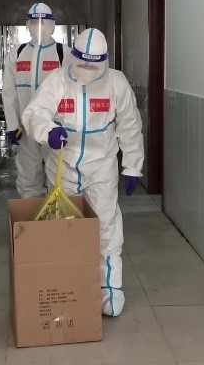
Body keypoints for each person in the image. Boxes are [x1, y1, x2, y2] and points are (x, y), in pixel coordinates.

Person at [21, 28, 144, 317]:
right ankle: (67, 288)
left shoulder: (116, 83)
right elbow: (35, 112)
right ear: (73, 57)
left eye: (94, 65)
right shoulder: (57, 80)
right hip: (62, 167)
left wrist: (133, 166)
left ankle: (109, 290)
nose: (88, 71)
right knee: (64, 229)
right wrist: (48, 131)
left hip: (101, 168)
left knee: (106, 227)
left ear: (104, 61)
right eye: (83, 64)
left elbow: (130, 126)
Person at [2, 3, 67, 198]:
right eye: (34, 22)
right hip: (26, 128)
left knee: (59, 174)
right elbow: (9, 92)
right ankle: (31, 213)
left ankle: (56, 212)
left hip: (55, 126)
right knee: (27, 175)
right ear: (27, 24)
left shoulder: (64, 53)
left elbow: (73, 91)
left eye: (43, 22)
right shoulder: (18, 52)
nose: (38, 27)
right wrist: (12, 124)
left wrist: (68, 125)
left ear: (52, 24)